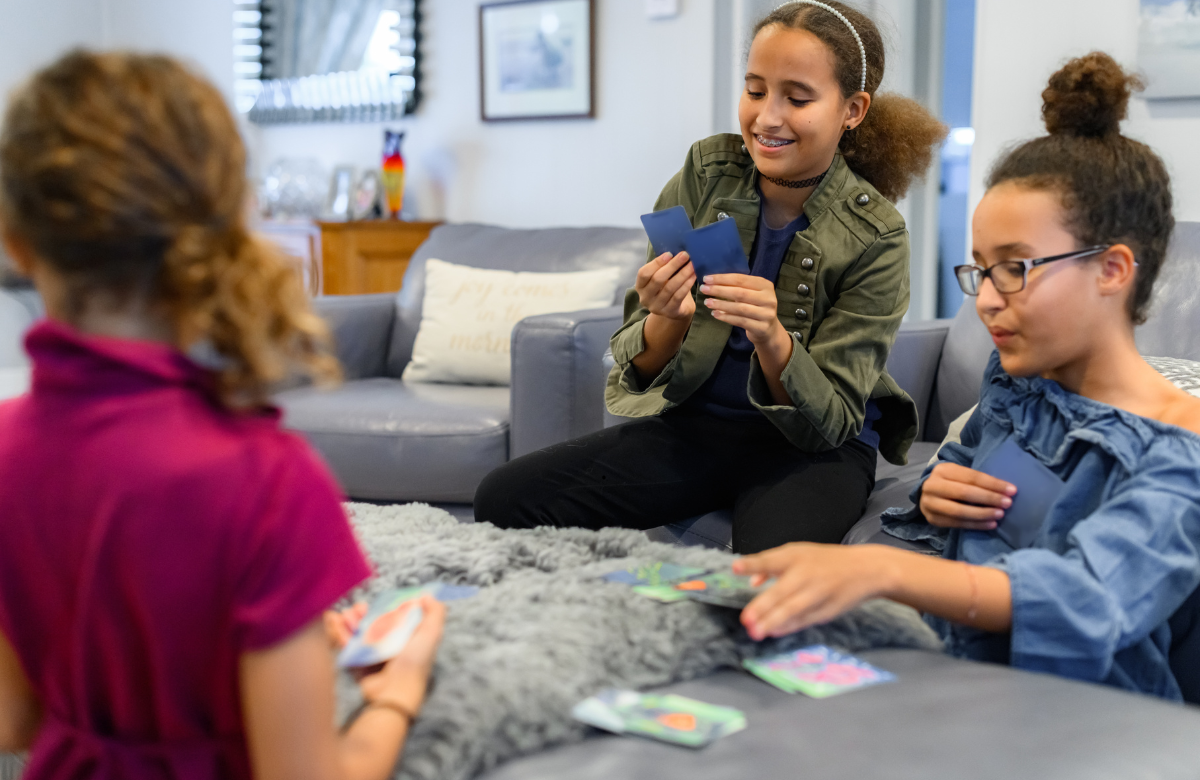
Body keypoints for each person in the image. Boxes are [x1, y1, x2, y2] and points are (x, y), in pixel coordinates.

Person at [0, 52, 444, 779]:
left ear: (17, 241)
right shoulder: (267, 483)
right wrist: (397, 693)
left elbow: (14, 719)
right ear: (226, 228)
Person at [733, 52, 1200, 701]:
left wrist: (880, 570)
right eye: (980, 270)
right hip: (966, 682)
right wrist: (937, 495)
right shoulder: (1016, 383)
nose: (985, 300)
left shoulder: (1181, 450)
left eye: (1015, 268)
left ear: (1112, 270)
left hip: (1095, 720)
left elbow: (1084, 601)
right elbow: (952, 491)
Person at [477, 1, 945, 552]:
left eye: (797, 99)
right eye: (755, 90)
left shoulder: (878, 235)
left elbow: (830, 421)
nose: (767, 118)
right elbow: (639, 364)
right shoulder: (706, 173)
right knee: (504, 498)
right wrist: (667, 318)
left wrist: (771, 336)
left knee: (770, 575)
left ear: (853, 109)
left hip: (812, 451)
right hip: (698, 430)